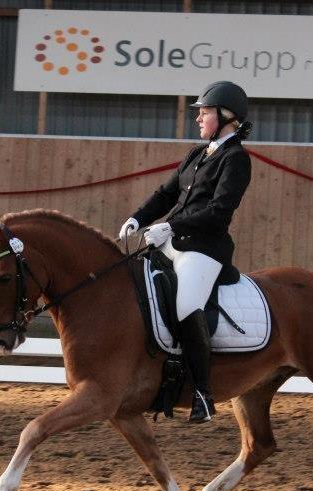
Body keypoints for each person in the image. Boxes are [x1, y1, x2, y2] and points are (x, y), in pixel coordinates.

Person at [118, 80, 253, 423]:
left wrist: (172, 227)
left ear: (226, 117)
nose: (199, 119)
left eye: (204, 113)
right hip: (170, 241)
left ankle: (203, 395)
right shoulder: (197, 153)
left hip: (205, 249)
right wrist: (138, 217)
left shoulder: (236, 159)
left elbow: (220, 211)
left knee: (186, 305)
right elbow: (166, 195)